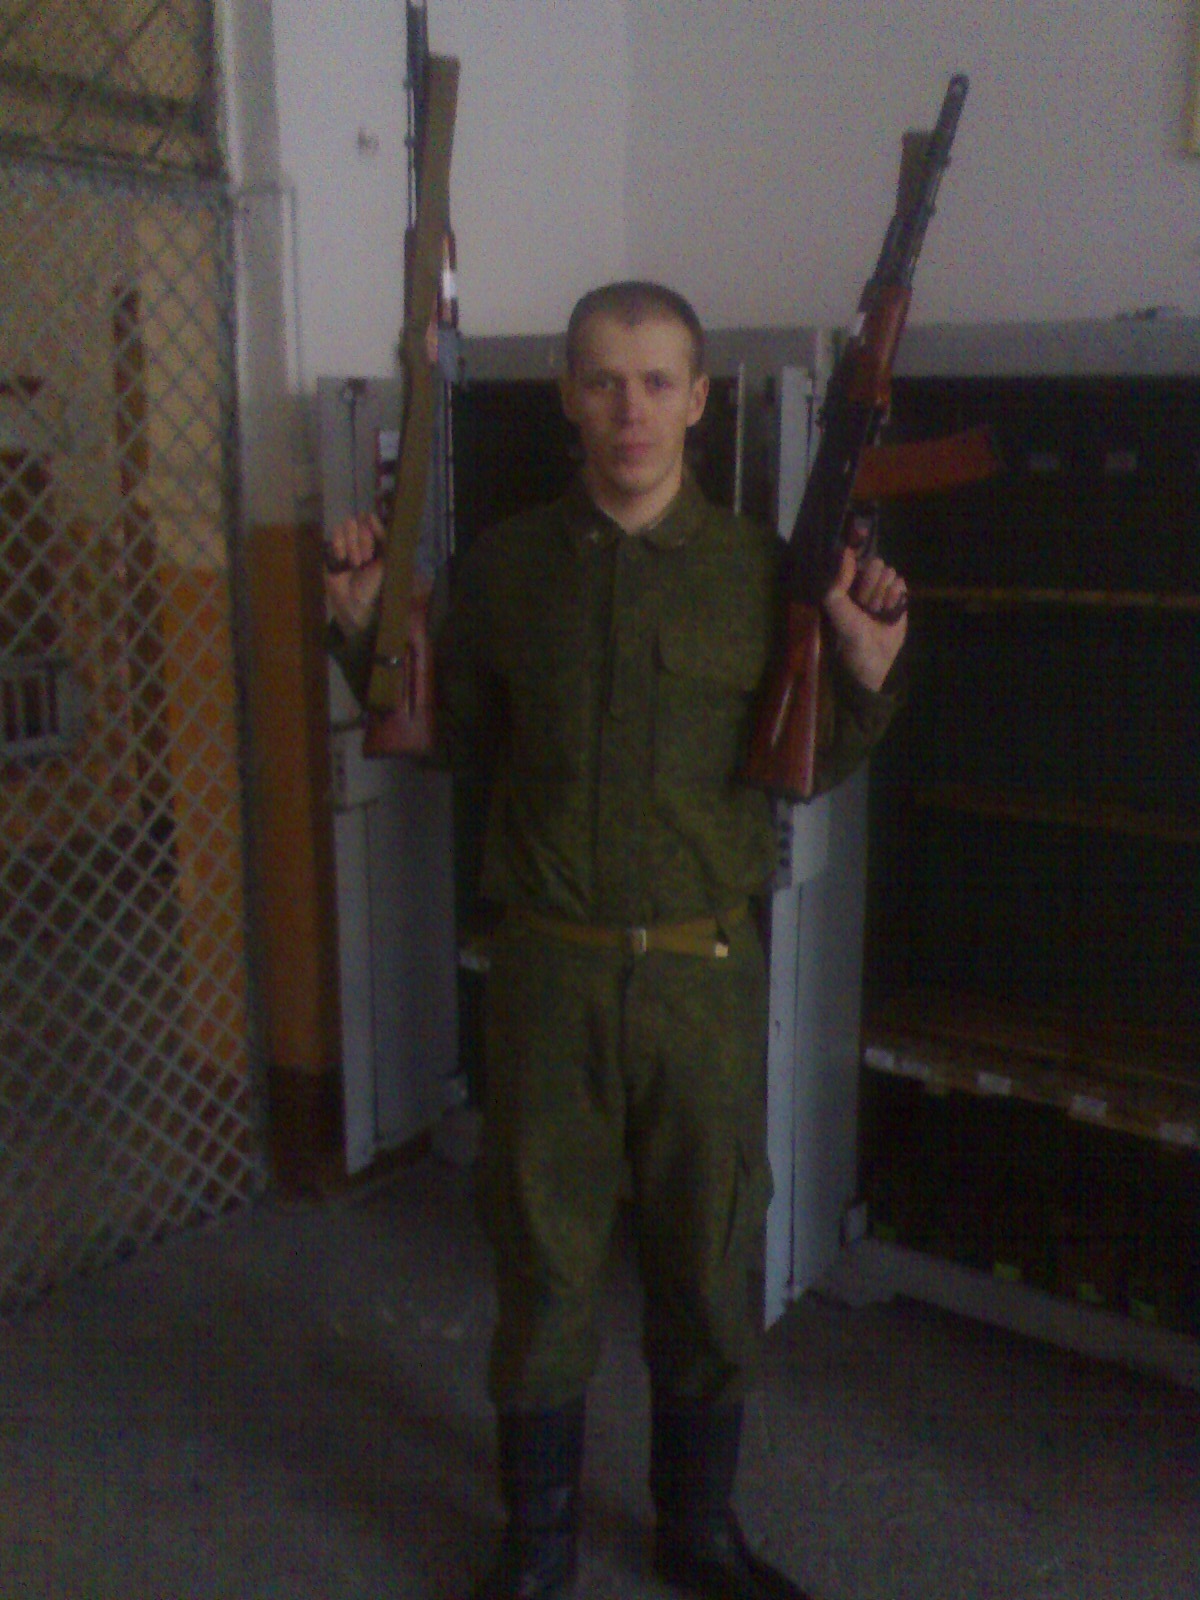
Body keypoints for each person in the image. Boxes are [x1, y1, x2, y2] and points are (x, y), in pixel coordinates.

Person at [325, 281, 907, 1600]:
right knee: (543, 1257)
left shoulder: (766, 577)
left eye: (655, 382)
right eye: (601, 381)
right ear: (567, 398)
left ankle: (696, 1530)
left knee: (710, 1255)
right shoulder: (504, 570)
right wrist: (365, 632)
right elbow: (448, 738)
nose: (628, 409)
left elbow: (809, 761)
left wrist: (867, 671)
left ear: (698, 400)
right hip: (548, 972)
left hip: (704, 980)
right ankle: (537, 1547)